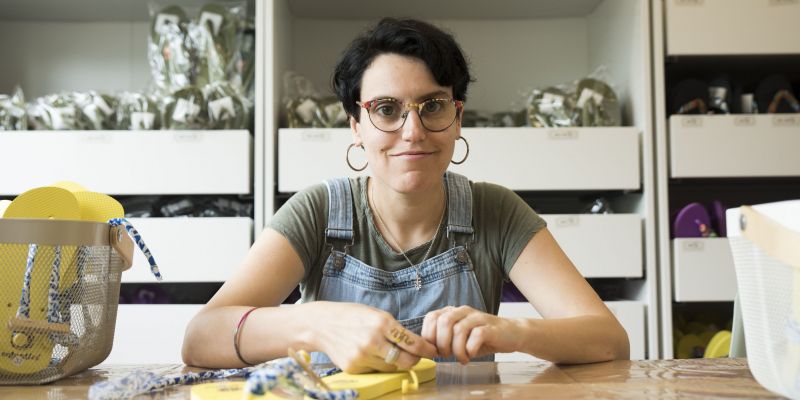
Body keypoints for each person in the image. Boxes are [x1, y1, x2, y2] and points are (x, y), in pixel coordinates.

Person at [182, 18, 629, 373]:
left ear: (457, 119)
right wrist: (316, 323)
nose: (412, 132)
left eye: (432, 106)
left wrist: (512, 332)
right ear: (356, 126)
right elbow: (200, 338)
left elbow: (609, 340)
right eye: (386, 109)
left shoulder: (496, 211)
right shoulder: (317, 212)